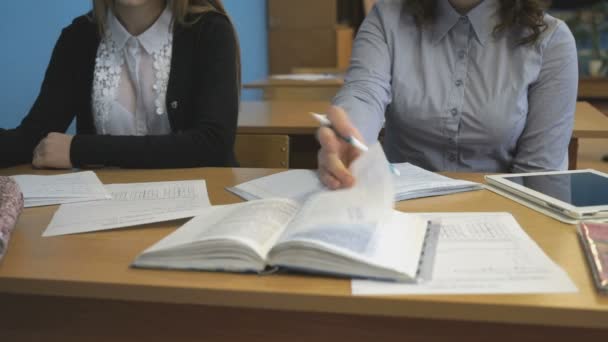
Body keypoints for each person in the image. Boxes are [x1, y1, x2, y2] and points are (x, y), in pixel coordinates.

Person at [317, 0, 578, 189]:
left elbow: (539, 174)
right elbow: (364, 92)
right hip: (401, 212)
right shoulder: (386, 19)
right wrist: (350, 137)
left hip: (503, 215)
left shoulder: (551, 40)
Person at [0, 0, 240, 169]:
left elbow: (212, 143)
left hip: (199, 205)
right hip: (107, 211)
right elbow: (33, 138)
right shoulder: (78, 37)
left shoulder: (210, 31)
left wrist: (79, 150)